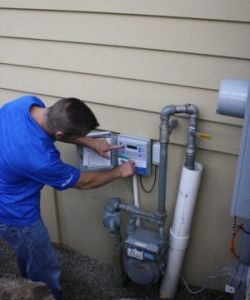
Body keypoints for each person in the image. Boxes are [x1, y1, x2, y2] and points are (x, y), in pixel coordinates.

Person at [0, 95, 135, 300]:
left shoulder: (24, 104)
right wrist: (118, 172)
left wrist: (91, 142)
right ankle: (42, 294)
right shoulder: (40, 158)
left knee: (27, 253)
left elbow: (58, 131)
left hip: (6, 180)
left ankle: (26, 282)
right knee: (45, 263)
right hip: (13, 212)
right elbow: (83, 182)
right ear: (60, 134)